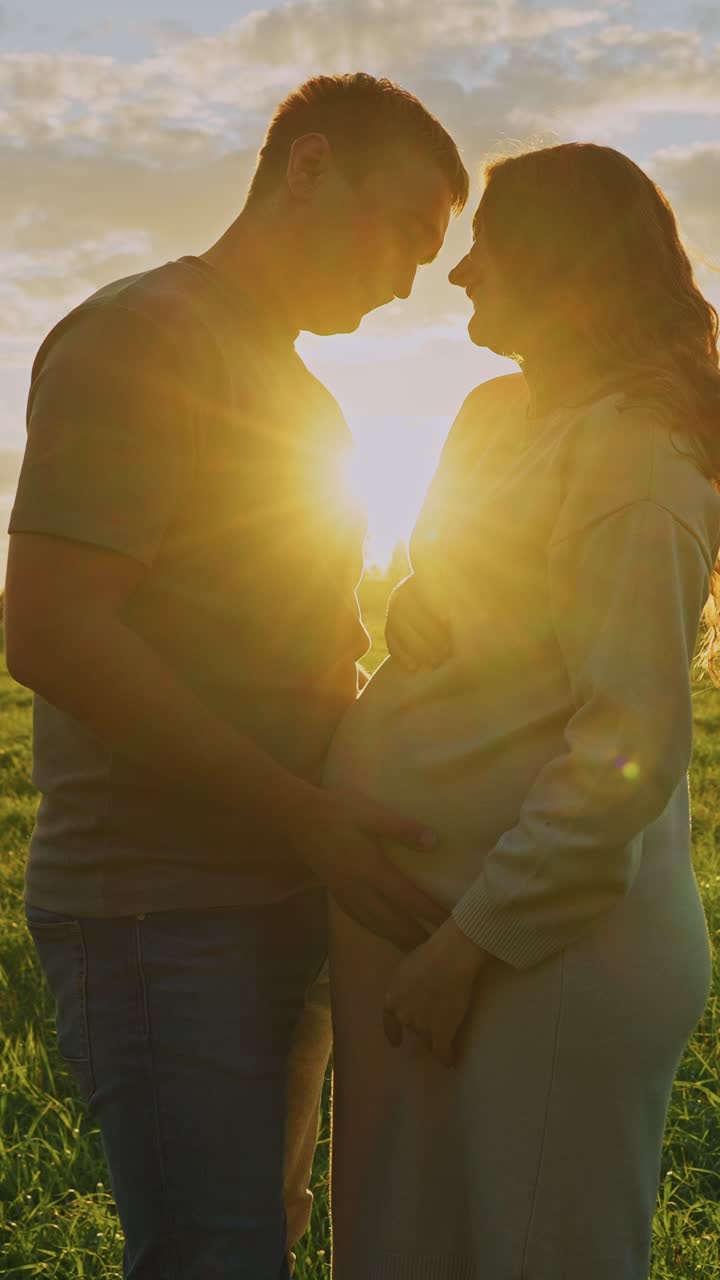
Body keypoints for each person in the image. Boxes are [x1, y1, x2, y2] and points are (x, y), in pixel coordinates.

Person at [3, 73, 469, 1280]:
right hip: (162, 909)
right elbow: (51, 629)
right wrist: (307, 815)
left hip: (279, 888)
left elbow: (292, 649)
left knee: (270, 1230)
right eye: (401, 233)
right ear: (308, 166)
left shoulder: (303, 395)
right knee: (215, 1255)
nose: (409, 280)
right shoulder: (142, 334)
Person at [325, 142, 720, 1280]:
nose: (461, 271)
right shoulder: (507, 414)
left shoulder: (636, 459)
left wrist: (470, 946)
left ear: (563, 261)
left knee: (539, 1251)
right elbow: (464, 613)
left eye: (490, 242)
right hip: (447, 932)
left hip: (542, 954)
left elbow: (625, 755)